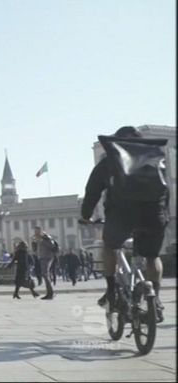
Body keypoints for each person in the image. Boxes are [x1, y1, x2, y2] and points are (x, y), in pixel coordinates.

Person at [80, 126, 169, 322]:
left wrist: (86, 216)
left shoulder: (110, 160)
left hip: (121, 214)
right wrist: (164, 214)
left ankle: (111, 289)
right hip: (154, 214)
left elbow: (92, 190)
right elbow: (165, 190)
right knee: (153, 257)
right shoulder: (154, 159)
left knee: (109, 247)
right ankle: (155, 299)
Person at [33, 226, 55, 300]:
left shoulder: (46, 237)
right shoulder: (38, 239)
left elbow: (51, 245)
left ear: (41, 231)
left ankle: (50, 293)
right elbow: (36, 249)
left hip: (47, 257)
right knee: (45, 275)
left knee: (45, 274)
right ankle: (49, 293)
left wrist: (42, 239)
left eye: (37, 231)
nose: (36, 233)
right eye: (35, 231)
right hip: (42, 258)